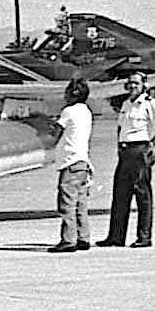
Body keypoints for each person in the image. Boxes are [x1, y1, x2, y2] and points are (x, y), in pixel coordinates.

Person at [98, 72, 155, 248]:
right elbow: (121, 127)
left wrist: (151, 145)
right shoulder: (126, 104)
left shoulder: (150, 103)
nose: (132, 86)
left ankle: (144, 237)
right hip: (125, 151)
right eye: (130, 83)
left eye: (136, 83)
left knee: (142, 194)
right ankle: (116, 237)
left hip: (140, 150)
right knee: (120, 194)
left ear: (144, 85)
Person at [48, 78, 93, 253]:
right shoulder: (86, 111)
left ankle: (68, 240)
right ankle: (83, 237)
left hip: (70, 162)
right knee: (80, 202)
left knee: (67, 203)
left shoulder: (68, 111)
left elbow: (56, 132)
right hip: (82, 161)